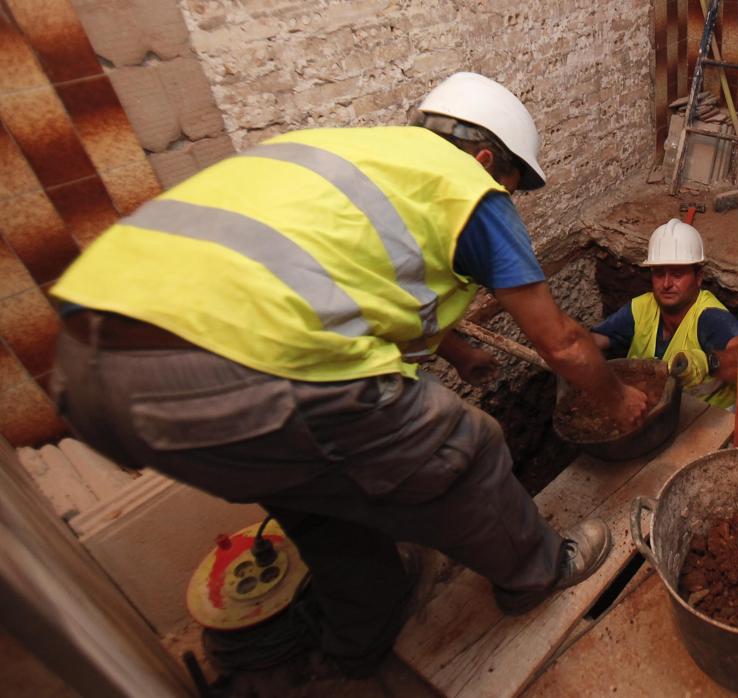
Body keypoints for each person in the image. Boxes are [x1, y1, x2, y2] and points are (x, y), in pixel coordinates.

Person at [47, 72, 649, 676]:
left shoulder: (342, 154)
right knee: (467, 445)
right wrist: (617, 399)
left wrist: (457, 350)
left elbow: (344, 279)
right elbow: (565, 345)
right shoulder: (468, 186)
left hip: (85, 362)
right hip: (241, 364)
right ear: (489, 160)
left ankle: (361, 636)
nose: (507, 200)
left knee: (313, 497)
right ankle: (538, 573)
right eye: (512, 186)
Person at [590, 219, 738, 409]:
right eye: (659, 274)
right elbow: (592, 342)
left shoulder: (709, 317)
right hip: (657, 410)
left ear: (699, 278)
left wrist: (708, 362)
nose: (667, 283)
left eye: (677, 274)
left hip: (709, 420)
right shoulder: (641, 308)